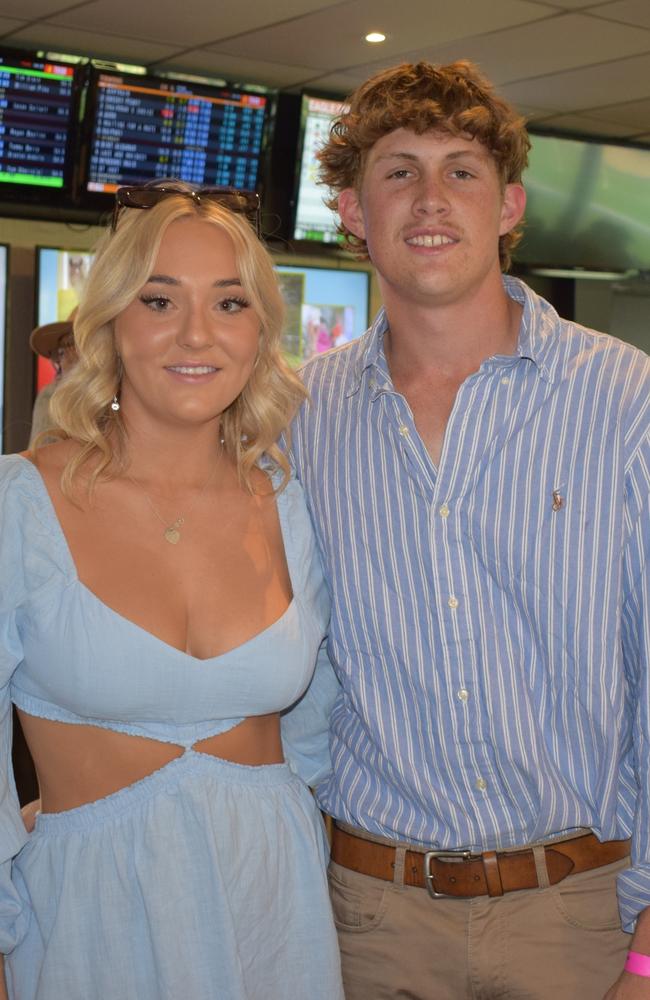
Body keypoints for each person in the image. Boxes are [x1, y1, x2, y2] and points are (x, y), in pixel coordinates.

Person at [287, 60, 650, 999]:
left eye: (462, 170)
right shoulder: (298, 417)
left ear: (509, 206)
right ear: (353, 212)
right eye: (398, 171)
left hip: (579, 915)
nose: (430, 198)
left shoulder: (624, 398)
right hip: (370, 919)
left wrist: (647, 942)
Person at [0, 182, 343, 1000]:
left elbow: (320, 732)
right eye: (160, 299)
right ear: (112, 322)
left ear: (260, 331)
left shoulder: (291, 501)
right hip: (90, 916)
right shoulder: (20, 501)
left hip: (275, 909)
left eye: (229, 302)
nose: (197, 333)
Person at [28, 311, 78, 445]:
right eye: (59, 352)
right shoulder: (51, 396)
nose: (62, 361)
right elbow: (40, 460)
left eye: (71, 344)